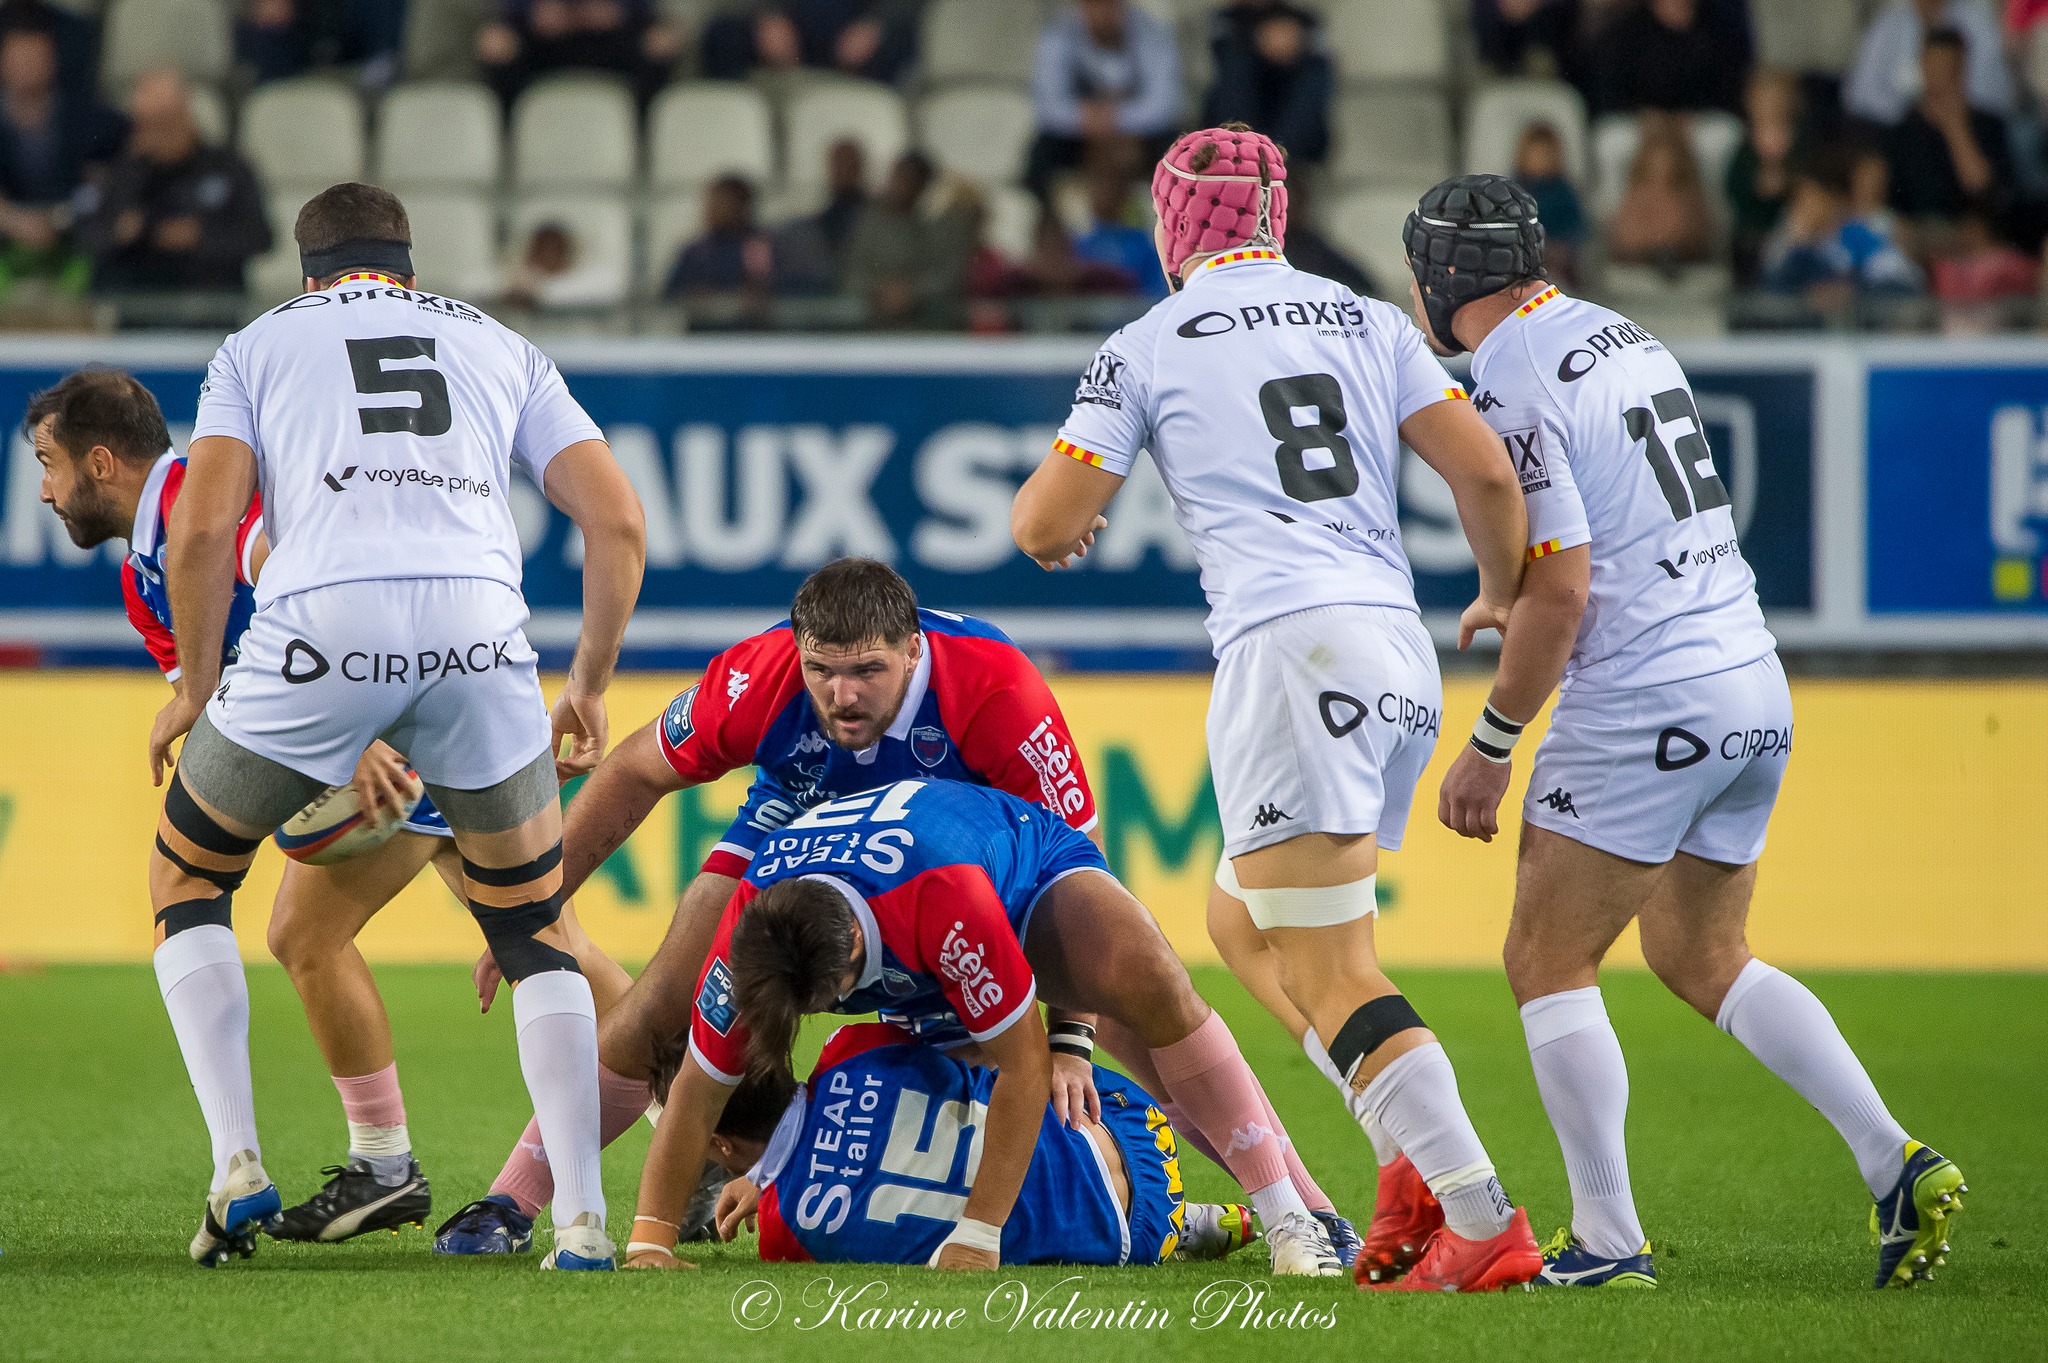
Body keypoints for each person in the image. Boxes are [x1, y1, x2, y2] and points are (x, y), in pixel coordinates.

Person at [434, 557, 1357, 1267]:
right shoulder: (759, 676)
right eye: (823, 670)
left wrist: (1068, 1037)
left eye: (866, 672)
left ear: (913, 649)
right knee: (661, 1005)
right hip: (795, 839)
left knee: (1136, 994)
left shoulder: (995, 688)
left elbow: (1085, 872)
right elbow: (634, 768)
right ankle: (519, 1200)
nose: (840, 694)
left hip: (968, 857)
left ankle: (1306, 1212)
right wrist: (536, 909)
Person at [1011, 127, 1543, 1293]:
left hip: (1289, 651)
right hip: (1393, 645)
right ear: (1275, 216)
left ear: (1169, 225)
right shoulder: (1364, 317)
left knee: (1336, 964)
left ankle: (1481, 1216)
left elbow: (1041, 528)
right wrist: (1500, 586)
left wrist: (1081, 507)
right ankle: (1401, 1156)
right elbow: (1488, 475)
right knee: (1238, 920)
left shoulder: (1146, 340)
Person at [1419, 171, 1967, 1290]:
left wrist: (1490, 741)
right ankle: (1892, 1159)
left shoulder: (1505, 377)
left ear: (1436, 281)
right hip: (1749, 678)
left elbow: (1564, 589)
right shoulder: (1616, 331)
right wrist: (1507, 592)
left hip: (1644, 694)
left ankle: (1605, 1241)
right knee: (1698, 952)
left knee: (1545, 956)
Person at [140, 180, 646, 1271]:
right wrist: (589, 682)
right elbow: (618, 519)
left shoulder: (257, 345)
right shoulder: (499, 342)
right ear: (408, 268)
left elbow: (204, 527)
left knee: (189, 878)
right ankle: (583, 1221)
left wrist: (192, 684)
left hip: (322, 631)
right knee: (532, 929)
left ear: (307, 270)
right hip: (479, 639)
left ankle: (238, 1162)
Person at [25, 368, 636, 1248]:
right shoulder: (144, 574)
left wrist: (355, 730)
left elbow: (303, 588)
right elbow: (228, 697)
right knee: (549, 940)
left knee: (305, 933)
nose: (43, 490)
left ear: (103, 460)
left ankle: (384, 1164)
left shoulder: (204, 504)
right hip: (425, 709)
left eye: (48, 463)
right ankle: (701, 1120)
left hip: (412, 726)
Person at [622, 777, 1350, 1276]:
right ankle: (1166, 1213)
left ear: (850, 960)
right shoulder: (747, 927)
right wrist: (649, 1239)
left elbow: (1021, 1064)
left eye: (820, 1001)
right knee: (919, 1092)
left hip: (1023, 871)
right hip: (921, 954)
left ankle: (1290, 1211)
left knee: (1152, 983)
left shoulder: (945, 901)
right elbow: (698, 1085)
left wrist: (980, 1229)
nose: (816, 1021)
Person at [643, 1022, 1258, 1268]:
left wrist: (774, 1175)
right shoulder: (849, 1046)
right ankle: (1255, 1202)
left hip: (1128, 1241)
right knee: (993, 1073)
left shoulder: (782, 1237)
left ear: (718, 1144)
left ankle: (1186, 1228)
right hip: (1131, 1127)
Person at [71, 70, 271, 297]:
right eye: (146, 124)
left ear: (185, 116)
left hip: (210, 308)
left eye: (164, 122)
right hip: (133, 310)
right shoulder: (119, 172)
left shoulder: (228, 167)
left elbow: (260, 236)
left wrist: (198, 236)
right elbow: (82, 234)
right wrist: (121, 232)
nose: (156, 134)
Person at [0, 20, 123, 286]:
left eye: (36, 57)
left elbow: (115, 166)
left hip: (74, 237)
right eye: (20, 58)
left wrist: (68, 217)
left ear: (52, 60)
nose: (28, 67)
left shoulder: (88, 118)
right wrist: (13, 220)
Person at [1026, 0, 1181, 199]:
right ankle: (1046, 218)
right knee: (1041, 156)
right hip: (1078, 134)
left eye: (1109, 5)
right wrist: (1084, 118)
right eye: (1093, 5)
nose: (1101, 14)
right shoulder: (1058, 34)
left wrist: (1116, 118)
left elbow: (1164, 105)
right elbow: (1049, 106)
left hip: (1139, 133)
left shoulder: (1152, 33)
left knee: (1174, 153)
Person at [1883, 26, 2014, 230]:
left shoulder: (1988, 125)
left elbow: (1983, 191)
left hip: (1974, 239)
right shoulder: (1902, 131)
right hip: (1915, 233)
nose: (1939, 79)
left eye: (1948, 71)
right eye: (1933, 69)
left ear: (1962, 70)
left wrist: (1955, 128)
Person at [476, 0, 685, 104]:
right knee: (496, 44)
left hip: (611, 43)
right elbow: (511, 14)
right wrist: (535, 14)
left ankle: (641, 145)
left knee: (660, 42)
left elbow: (645, 13)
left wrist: (617, 13)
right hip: (544, 46)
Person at [1202, 1, 1333, 166]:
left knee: (1318, 67)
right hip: (1242, 116)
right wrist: (1259, 42)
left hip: (1288, 112)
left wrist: (1290, 47)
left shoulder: (1304, 18)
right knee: (1236, 65)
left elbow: (1319, 50)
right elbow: (1221, 57)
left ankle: (1276, 157)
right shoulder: (1226, 19)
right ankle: (1250, 152)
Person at [1844, 0, 2012, 127]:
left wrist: (1947, 108)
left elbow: (1995, 98)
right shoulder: (1890, 24)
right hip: (1896, 132)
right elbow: (1859, 96)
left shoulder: (1977, 24)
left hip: (1962, 127)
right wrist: (1914, 112)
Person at [1587, 0, 1750, 117]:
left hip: (1694, 119)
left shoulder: (1713, 30)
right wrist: (1644, 114)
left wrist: (1689, 114)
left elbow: (1726, 90)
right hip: (1640, 120)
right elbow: (1611, 90)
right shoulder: (1627, 33)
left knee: (1722, 131)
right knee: (1612, 139)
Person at [700, 0, 915, 84]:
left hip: (855, 33)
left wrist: (874, 24)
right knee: (723, 30)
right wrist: (770, 15)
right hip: (792, 31)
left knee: (899, 40)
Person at [1605, 115, 1715, 269]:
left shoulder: (1691, 200)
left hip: (1687, 275)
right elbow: (1624, 238)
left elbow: (1702, 238)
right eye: (1652, 170)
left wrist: (1675, 246)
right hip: (1638, 274)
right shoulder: (1636, 199)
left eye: (1669, 171)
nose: (1659, 181)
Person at [1726, 67, 1801, 286]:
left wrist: (1787, 183)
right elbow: (1733, 184)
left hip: (1791, 229)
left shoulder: (1798, 143)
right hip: (1752, 232)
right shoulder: (1745, 147)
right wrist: (1755, 185)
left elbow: (1807, 180)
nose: (1769, 104)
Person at [1512, 122, 1584, 285]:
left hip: (1558, 263)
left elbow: (1577, 228)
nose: (1541, 160)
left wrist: (1558, 248)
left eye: (1546, 154)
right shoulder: (1512, 191)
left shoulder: (1565, 192)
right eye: (1535, 154)